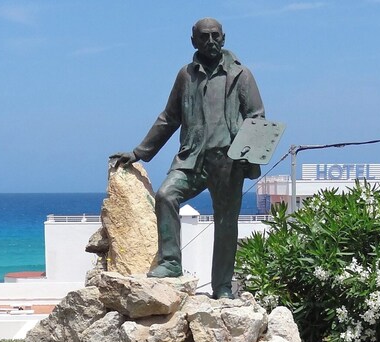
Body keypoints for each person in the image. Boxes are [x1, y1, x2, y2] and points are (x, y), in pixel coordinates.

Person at [111, 17, 265, 299]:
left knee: (226, 223)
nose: (210, 41)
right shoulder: (186, 75)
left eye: (215, 36)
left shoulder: (241, 75)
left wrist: (247, 154)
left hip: (228, 161)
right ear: (193, 41)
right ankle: (171, 262)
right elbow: (169, 118)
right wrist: (138, 153)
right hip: (191, 158)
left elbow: (256, 117)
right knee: (166, 195)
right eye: (204, 37)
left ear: (224, 38)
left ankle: (222, 287)